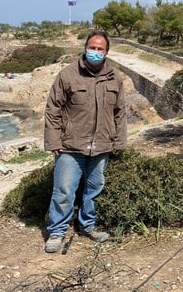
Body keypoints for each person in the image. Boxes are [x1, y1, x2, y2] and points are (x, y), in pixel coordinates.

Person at [43, 30, 127, 253]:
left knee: (94, 190)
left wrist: (119, 142)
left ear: (107, 51)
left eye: (100, 49)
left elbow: (120, 112)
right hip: (71, 146)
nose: (95, 52)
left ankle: (87, 226)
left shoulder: (115, 78)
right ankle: (57, 231)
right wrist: (54, 142)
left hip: (101, 146)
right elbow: (53, 110)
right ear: (85, 48)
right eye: (92, 47)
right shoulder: (67, 75)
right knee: (63, 190)